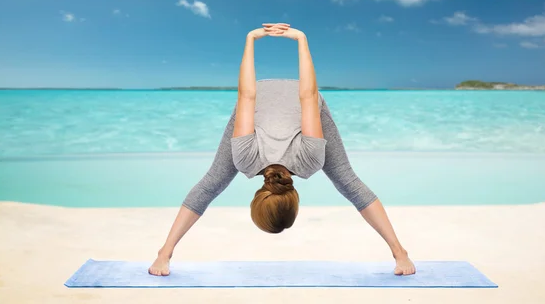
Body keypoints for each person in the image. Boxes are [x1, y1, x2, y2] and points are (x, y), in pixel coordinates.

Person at [148, 23, 416, 276]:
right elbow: (257, 95)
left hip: (263, 100)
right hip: (262, 99)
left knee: (349, 183)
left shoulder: (304, 160)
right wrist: (265, 40)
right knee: (346, 182)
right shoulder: (252, 159)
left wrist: (284, 40)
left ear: (296, 200)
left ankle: (401, 252)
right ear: (256, 198)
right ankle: (164, 252)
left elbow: (297, 95)